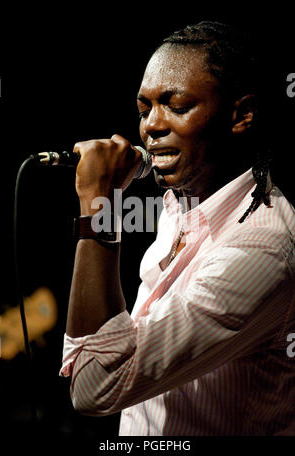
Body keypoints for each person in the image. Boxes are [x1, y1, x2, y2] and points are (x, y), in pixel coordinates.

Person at [60, 21, 295, 435]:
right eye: (144, 109)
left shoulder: (263, 248)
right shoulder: (182, 203)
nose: (151, 125)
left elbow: (96, 385)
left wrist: (100, 206)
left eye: (177, 106)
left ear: (241, 115)